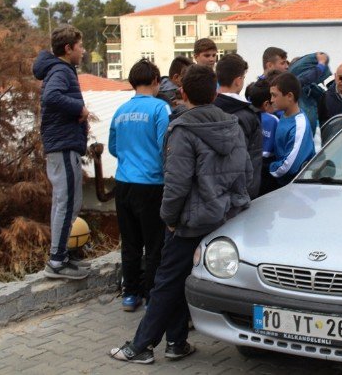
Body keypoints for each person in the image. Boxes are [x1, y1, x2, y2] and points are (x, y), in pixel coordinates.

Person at [109, 64, 253, 364]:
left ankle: (141, 346)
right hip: (224, 217)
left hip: (190, 220)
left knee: (166, 282)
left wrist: (170, 219)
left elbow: (176, 183)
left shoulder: (183, 129)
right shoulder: (233, 125)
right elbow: (245, 174)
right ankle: (176, 342)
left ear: (183, 93)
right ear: (215, 93)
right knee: (180, 280)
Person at [108, 59, 171, 312]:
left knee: (130, 242)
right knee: (154, 244)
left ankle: (130, 294)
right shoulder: (160, 108)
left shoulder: (120, 111)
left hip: (123, 183)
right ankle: (151, 295)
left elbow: (113, 148)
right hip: (151, 184)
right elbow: (165, 146)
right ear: (156, 81)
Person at [33, 24, 90, 280]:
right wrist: (79, 108)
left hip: (65, 144)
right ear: (68, 48)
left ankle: (62, 256)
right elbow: (51, 97)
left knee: (70, 201)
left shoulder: (62, 69)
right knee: (65, 201)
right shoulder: (60, 71)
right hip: (63, 145)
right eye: (80, 46)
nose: (84, 51)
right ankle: (57, 261)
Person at [213, 53, 262, 198]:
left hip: (210, 195)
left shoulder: (205, 110)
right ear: (238, 81)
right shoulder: (247, 116)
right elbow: (246, 160)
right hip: (240, 197)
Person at [269, 72, 316, 185]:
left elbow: (289, 166)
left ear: (289, 96)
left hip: (295, 187)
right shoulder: (282, 114)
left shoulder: (299, 125)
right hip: (282, 183)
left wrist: (268, 168)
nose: (271, 100)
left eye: (275, 95)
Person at [246, 76, 280, 196]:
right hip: (266, 171)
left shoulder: (244, 115)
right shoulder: (274, 120)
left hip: (248, 166)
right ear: (266, 104)